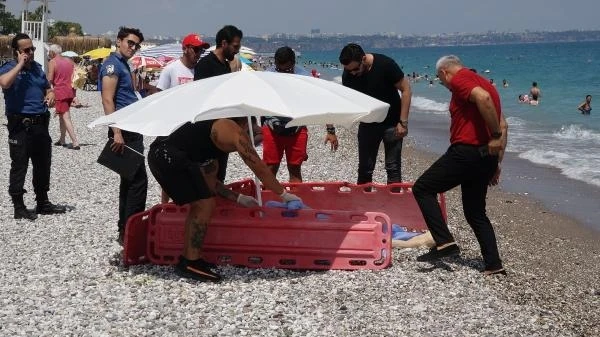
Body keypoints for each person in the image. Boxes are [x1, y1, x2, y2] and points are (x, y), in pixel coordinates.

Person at [147, 118, 303, 281]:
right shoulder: (231, 130)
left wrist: (239, 198)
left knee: (205, 201)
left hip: (164, 154)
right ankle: (189, 263)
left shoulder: (211, 145)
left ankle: (193, 258)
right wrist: (283, 194)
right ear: (244, 124)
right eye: (253, 134)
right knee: (203, 205)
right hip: (165, 155)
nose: (255, 136)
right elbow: (258, 167)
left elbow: (211, 181)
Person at [412, 55, 507, 276]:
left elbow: (483, 101)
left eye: (440, 80)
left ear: (445, 72)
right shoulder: (485, 83)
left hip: (467, 152)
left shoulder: (461, 80)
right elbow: (505, 123)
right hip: (486, 157)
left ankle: (444, 242)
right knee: (475, 212)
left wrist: (494, 136)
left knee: (423, 188)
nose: (444, 86)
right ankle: (494, 264)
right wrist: (497, 162)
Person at [0, 33, 66, 220]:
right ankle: (19, 207)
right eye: (26, 50)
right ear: (16, 52)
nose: (31, 52)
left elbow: (47, 86)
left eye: (32, 49)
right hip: (20, 125)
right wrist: (20, 64)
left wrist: (51, 93)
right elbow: (4, 83)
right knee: (19, 165)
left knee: (43, 164)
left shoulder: (37, 68)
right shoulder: (9, 67)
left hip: (40, 123)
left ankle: (42, 202)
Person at [261, 46, 338, 182]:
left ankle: (295, 201)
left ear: (293, 63)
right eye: (279, 69)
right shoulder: (267, 76)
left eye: (287, 70)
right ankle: (267, 201)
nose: (283, 73)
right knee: (270, 168)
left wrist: (330, 130)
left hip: (297, 128)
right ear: (275, 64)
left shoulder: (304, 78)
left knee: (295, 168)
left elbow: (322, 102)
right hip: (271, 127)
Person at [339, 43, 412, 185]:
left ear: (364, 59)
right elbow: (349, 100)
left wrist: (403, 122)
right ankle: (364, 203)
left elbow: (406, 89)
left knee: (393, 168)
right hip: (368, 124)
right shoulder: (348, 75)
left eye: (355, 69)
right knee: (365, 169)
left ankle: (394, 204)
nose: (353, 73)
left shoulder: (385, 64)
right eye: (349, 70)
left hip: (392, 123)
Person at [100, 27, 148, 244]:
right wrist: (116, 131)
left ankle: (125, 230)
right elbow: (107, 99)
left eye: (136, 45)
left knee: (129, 181)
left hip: (131, 128)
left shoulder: (123, 65)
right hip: (124, 130)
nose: (133, 47)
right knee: (138, 182)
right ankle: (131, 231)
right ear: (119, 41)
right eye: (130, 42)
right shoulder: (112, 65)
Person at [154, 33, 209, 203]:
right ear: (185, 49)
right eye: (196, 49)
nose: (199, 53)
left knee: (195, 166)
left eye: (201, 50)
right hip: (172, 126)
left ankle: (193, 201)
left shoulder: (200, 70)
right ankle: (165, 205)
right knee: (170, 168)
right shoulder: (171, 69)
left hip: (193, 126)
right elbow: (159, 95)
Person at [194, 25, 243, 183]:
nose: (237, 51)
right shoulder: (205, 65)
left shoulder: (225, 66)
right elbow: (200, 99)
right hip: (208, 131)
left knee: (220, 176)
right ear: (224, 43)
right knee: (208, 179)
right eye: (235, 46)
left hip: (222, 128)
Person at [47, 44, 80, 150]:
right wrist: (75, 95)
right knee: (62, 116)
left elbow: (50, 79)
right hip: (70, 91)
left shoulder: (52, 62)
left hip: (60, 93)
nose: (48, 54)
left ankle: (75, 142)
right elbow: (76, 76)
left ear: (52, 52)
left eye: (49, 52)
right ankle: (62, 139)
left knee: (66, 117)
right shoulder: (69, 61)